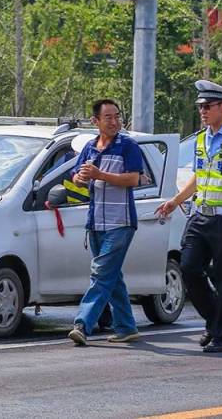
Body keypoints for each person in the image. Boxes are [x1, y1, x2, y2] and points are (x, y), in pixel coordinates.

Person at [155, 80, 222, 353]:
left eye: (207, 106)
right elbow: (199, 177)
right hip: (200, 216)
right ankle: (214, 319)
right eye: (200, 106)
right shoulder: (202, 138)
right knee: (188, 268)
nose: (202, 111)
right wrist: (176, 201)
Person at [67, 98, 143, 346]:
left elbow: (133, 179)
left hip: (120, 222)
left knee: (100, 275)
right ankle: (126, 327)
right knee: (112, 277)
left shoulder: (128, 146)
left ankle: (82, 324)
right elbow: (76, 177)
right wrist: (81, 177)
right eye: (108, 117)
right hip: (95, 223)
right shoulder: (89, 147)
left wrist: (100, 175)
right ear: (95, 121)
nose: (114, 121)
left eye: (117, 116)